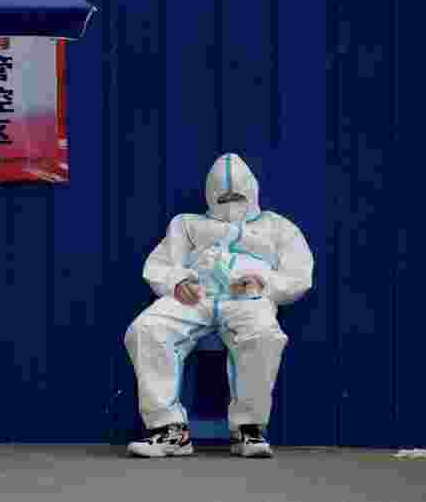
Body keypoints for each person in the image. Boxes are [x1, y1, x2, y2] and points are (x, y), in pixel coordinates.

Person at [123, 153, 313, 458]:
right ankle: (169, 430)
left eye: (237, 195)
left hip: (247, 299)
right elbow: (158, 265)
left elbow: (299, 275)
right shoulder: (187, 225)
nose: (230, 202)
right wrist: (178, 282)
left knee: (263, 335)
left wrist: (262, 284)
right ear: (210, 195)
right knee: (147, 329)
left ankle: (248, 429)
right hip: (196, 296)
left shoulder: (277, 228)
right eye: (222, 197)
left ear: (252, 191)